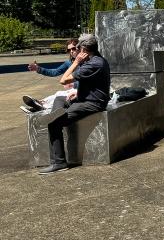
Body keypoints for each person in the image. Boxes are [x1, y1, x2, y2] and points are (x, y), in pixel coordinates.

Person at [36, 34, 111, 175]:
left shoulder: (93, 64)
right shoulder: (98, 60)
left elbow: (63, 80)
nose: (75, 51)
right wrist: (78, 92)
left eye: (78, 48)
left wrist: (76, 62)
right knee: (60, 99)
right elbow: (94, 84)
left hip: (92, 103)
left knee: (54, 124)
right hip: (87, 98)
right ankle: (56, 112)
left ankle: (59, 163)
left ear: (83, 49)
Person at [22, 39, 80, 113]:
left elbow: (90, 80)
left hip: (83, 90)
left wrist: (73, 84)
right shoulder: (69, 63)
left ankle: (41, 106)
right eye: (69, 50)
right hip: (74, 90)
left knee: (60, 95)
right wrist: (38, 69)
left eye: (73, 48)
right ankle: (40, 104)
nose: (71, 51)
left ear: (80, 48)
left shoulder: (87, 62)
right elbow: (55, 72)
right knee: (58, 93)